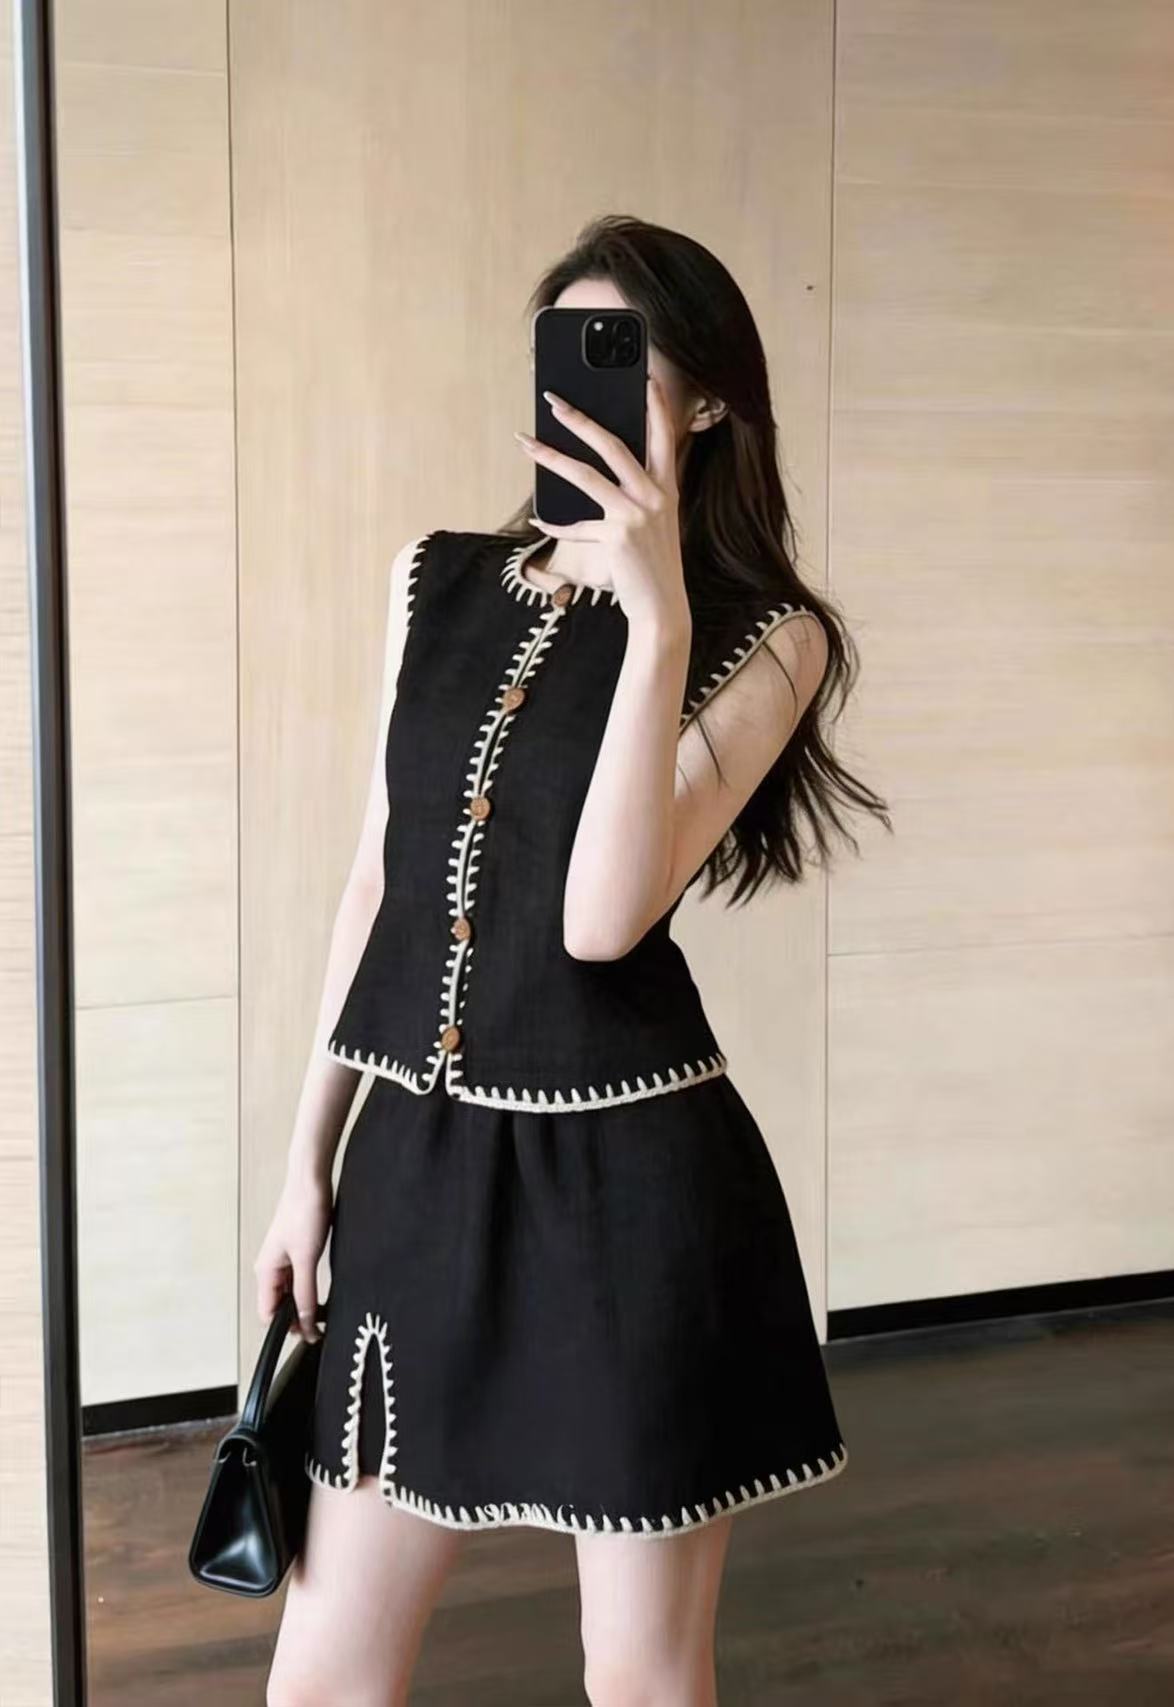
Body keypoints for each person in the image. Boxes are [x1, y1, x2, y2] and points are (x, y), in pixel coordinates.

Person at [260, 214, 891, 1707]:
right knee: (324, 1670)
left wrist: (655, 611)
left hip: (632, 1198)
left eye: (625, 361)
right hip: (417, 1174)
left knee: (640, 1674)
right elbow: (380, 885)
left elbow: (602, 921)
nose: (582, 398)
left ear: (710, 399)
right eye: (565, 360)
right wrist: (306, 1164)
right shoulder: (436, 579)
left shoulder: (770, 639)